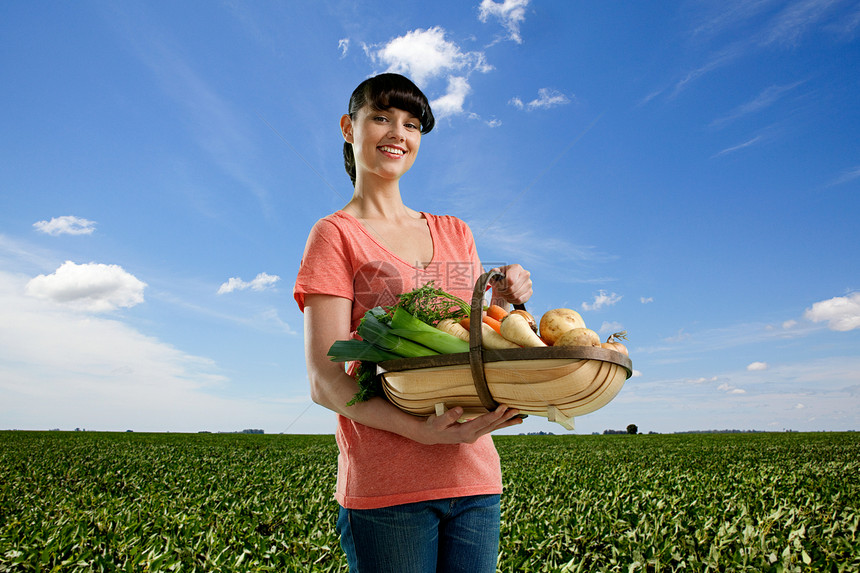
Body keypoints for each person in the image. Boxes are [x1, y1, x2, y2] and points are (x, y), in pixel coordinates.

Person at [293, 72, 532, 572]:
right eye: (381, 117)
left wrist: (510, 301)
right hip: (388, 492)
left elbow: (477, 344)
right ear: (348, 127)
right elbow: (325, 380)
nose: (398, 133)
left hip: (475, 479)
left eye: (412, 123)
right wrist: (423, 433)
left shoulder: (454, 232)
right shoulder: (334, 236)